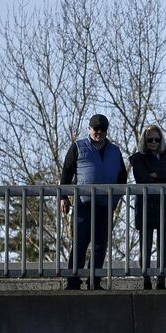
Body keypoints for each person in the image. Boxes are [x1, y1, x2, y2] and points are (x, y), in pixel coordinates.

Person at [60, 114, 127, 290]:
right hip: (83, 203)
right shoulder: (78, 147)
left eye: (102, 129)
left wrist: (115, 199)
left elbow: (122, 177)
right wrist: (63, 197)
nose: (99, 132)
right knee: (80, 243)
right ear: (89, 129)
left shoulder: (115, 151)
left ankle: (94, 282)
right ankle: (73, 281)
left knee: (100, 245)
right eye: (96, 129)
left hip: (105, 205)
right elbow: (66, 172)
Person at [128, 124, 166, 290]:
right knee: (145, 245)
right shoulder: (137, 158)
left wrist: (157, 174)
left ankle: (161, 279)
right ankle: (146, 278)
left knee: (164, 246)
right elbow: (143, 178)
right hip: (146, 206)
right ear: (144, 140)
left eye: (157, 139)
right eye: (150, 139)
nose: (153, 142)